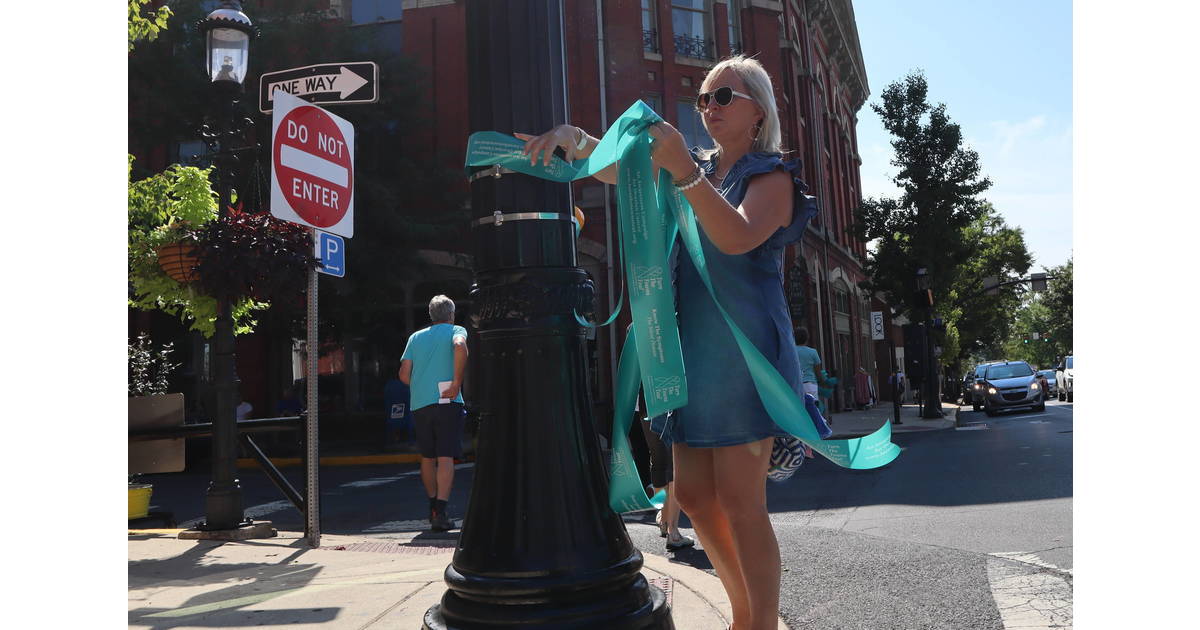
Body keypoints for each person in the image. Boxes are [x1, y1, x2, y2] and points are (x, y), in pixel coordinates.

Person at [520, 54, 815, 630]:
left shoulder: (772, 176)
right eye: (703, 99)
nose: (709, 107)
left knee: (742, 502)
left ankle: (760, 624)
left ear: (758, 111)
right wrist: (575, 140)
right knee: (696, 499)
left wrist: (685, 172)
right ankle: (744, 615)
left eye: (723, 96)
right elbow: (619, 167)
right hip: (687, 354)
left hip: (743, 356)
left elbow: (735, 237)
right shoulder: (693, 167)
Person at [399, 295, 469, 532]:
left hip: (420, 404)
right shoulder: (456, 330)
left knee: (427, 457)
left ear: (430, 315)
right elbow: (459, 346)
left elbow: (404, 374)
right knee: (445, 456)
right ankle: (441, 510)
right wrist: (456, 382)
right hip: (447, 400)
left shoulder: (415, 338)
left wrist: (422, 385)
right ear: (451, 315)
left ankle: (432, 506)